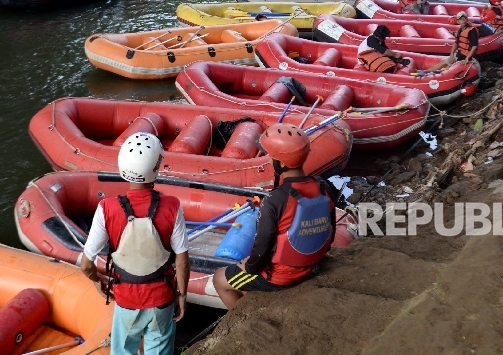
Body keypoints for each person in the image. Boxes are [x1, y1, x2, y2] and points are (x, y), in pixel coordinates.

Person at [80, 133, 190, 355]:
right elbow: (183, 261)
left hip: (126, 300)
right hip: (162, 298)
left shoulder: (106, 208)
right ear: (156, 165)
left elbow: (86, 265)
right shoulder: (172, 206)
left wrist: (98, 280)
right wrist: (183, 295)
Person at [213, 123, 337, 310]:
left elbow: (262, 246)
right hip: (312, 265)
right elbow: (331, 232)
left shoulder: (274, 200)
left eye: (271, 157)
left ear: (280, 163)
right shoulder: (323, 187)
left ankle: (241, 318)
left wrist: (250, 267)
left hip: (280, 277)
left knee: (220, 279)